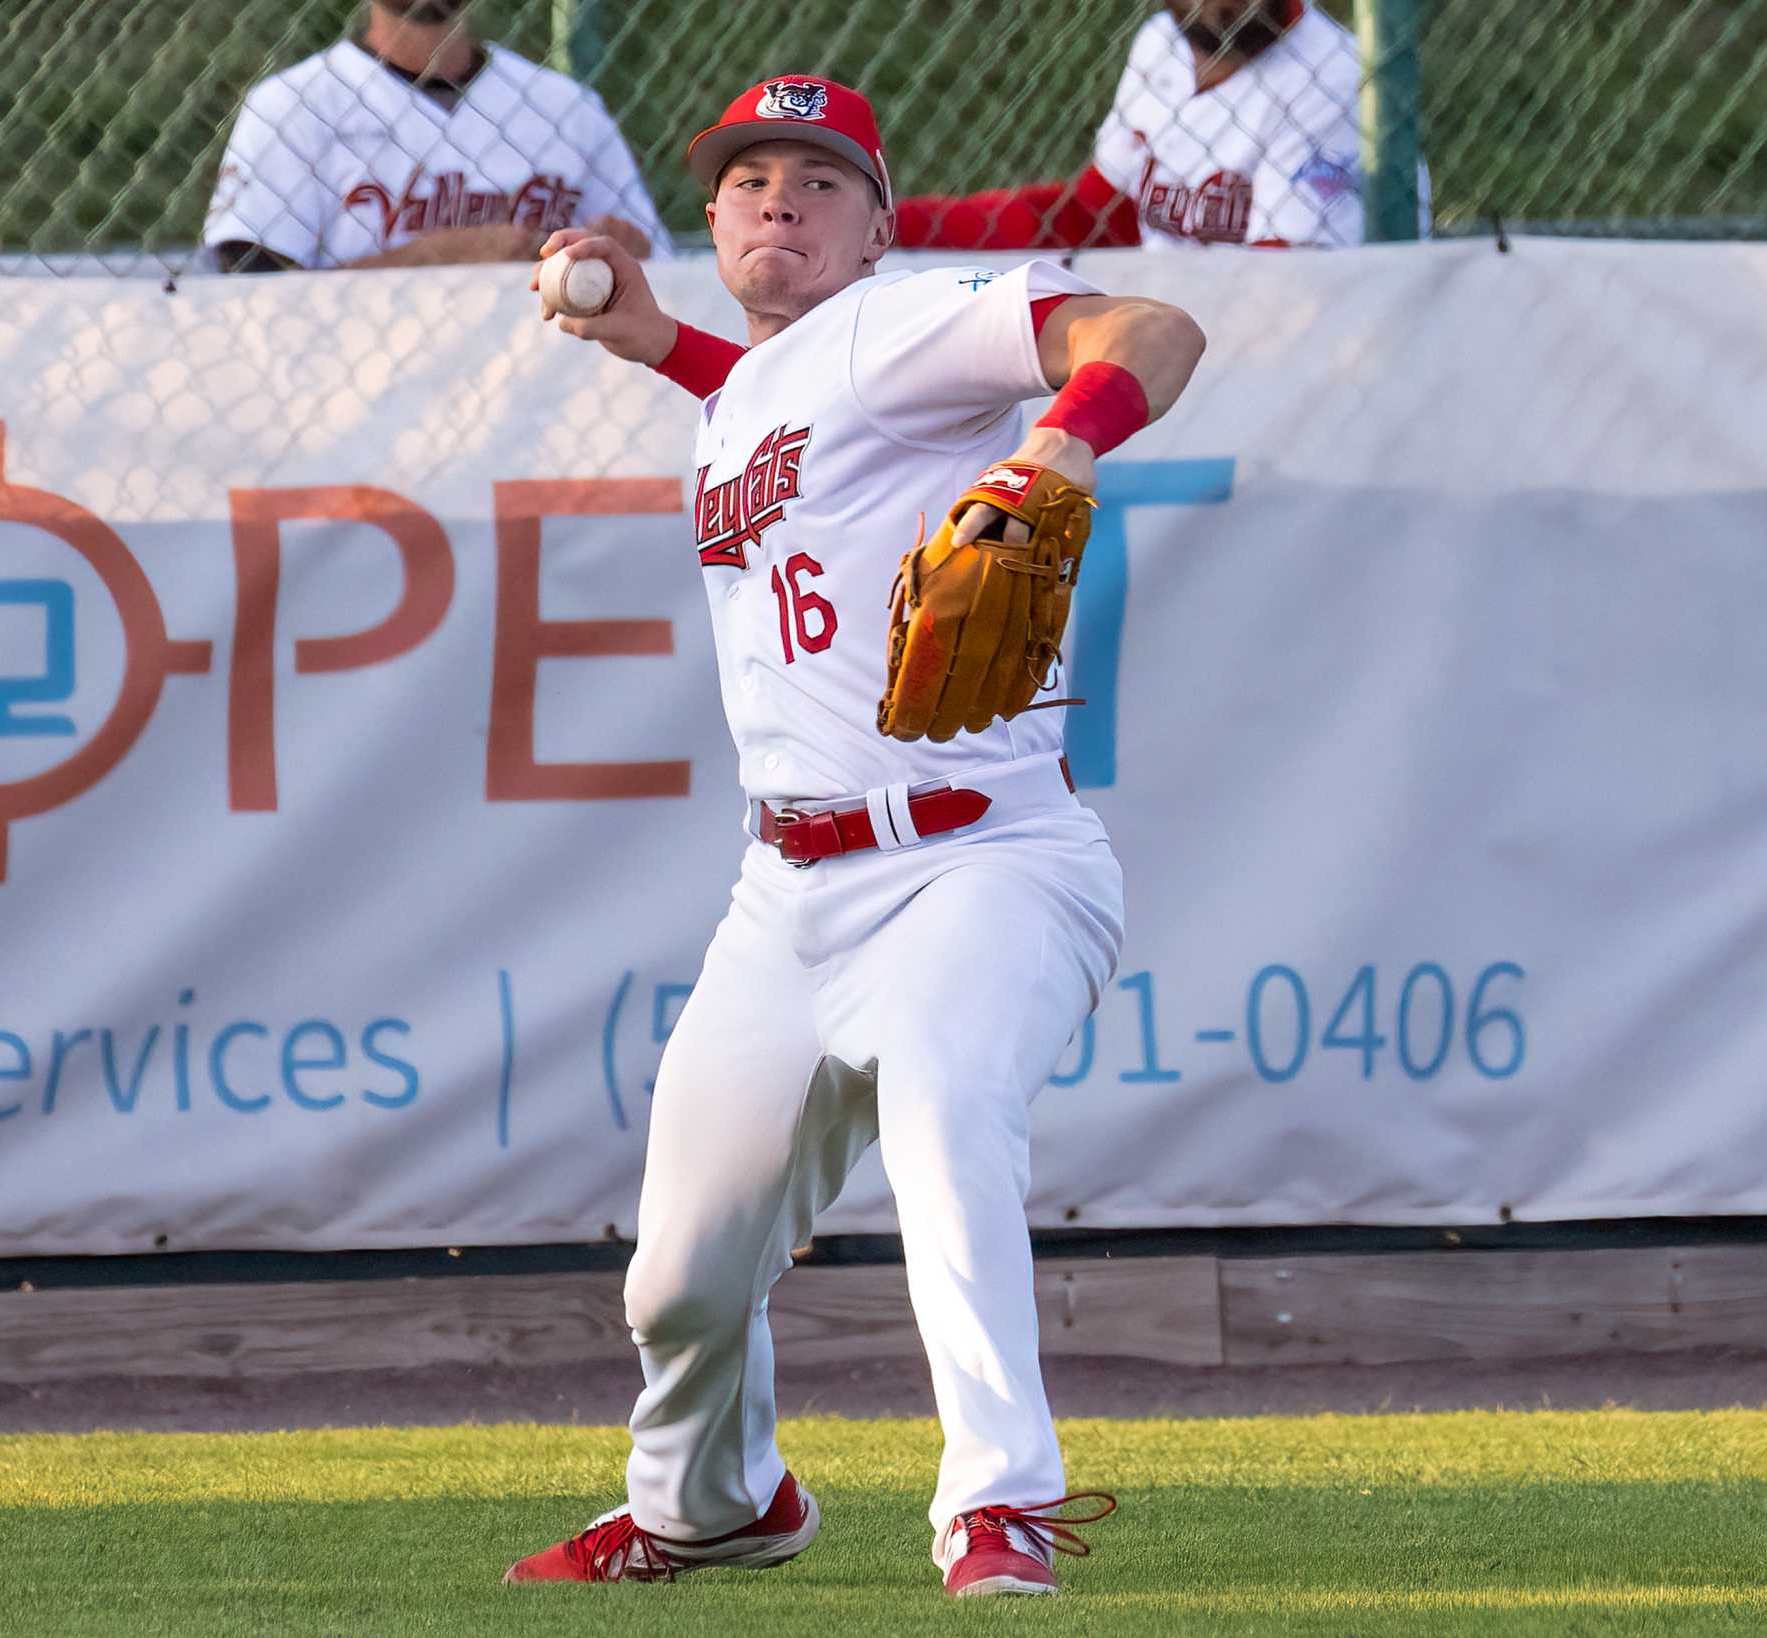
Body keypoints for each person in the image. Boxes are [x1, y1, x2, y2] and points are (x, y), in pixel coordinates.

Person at [502, 75, 1204, 1597]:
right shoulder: (753, 390)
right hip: (789, 888)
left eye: (820, 181)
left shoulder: (903, 321)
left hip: (982, 857)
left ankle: (998, 1505)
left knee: (948, 1114)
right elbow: (763, 400)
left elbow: (1152, 330)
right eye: (748, 177)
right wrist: (647, 335)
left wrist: (1062, 448)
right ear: (709, 218)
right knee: (681, 1276)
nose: (778, 200)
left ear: (878, 223)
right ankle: (717, 1502)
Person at [897, 0, 1428, 250]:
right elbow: (1090, 216)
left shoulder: (1333, 79)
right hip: (1169, 334)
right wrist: (898, 227)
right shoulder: (1162, 45)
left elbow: (1289, 293)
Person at [203, 0, 671, 272]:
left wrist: (629, 254)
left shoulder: (564, 105)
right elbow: (252, 292)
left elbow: (661, 262)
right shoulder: (294, 104)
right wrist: (442, 256)